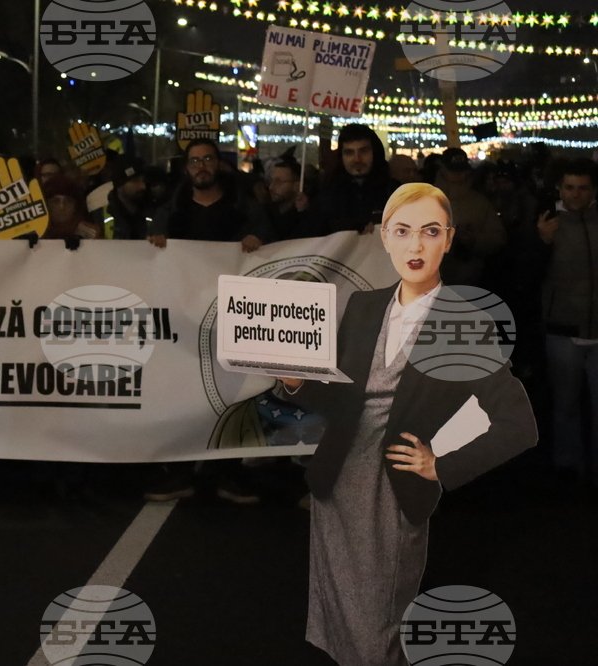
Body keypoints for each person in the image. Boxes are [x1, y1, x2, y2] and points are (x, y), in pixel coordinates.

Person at [280, 182, 536, 665]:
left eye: (430, 231)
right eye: (402, 231)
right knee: (339, 619)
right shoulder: (364, 306)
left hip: (393, 492)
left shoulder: (464, 326)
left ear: (449, 239)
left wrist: (442, 465)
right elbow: (341, 399)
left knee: (380, 622)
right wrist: (296, 383)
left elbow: (518, 423)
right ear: (385, 238)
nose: (415, 245)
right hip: (336, 482)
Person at [145, 139, 274, 503]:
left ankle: (227, 473)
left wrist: (259, 239)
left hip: (231, 317)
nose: (201, 166)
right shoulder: (171, 210)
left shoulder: (244, 208)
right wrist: (155, 241)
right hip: (184, 320)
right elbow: (150, 254)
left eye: (207, 159)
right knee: (184, 394)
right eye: (194, 161)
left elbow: (273, 244)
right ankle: (182, 471)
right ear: (187, 168)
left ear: (219, 164)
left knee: (231, 394)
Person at [537, 159, 598, 487]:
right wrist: (540, 243)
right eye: (570, 187)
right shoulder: (548, 222)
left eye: (583, 188)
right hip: (563, 326)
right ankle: (568, 466)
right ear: (560, 189)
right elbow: (526, 273)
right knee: (565, 403)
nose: (576, 194)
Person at [435, 148, 505, 287]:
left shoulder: (480, 202)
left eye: (462, 171)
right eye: (453, 171)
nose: (459, 176)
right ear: (443, 170)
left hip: (470, 281)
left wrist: (474, 240)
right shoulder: (427, 200)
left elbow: (498, 238)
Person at [311, 123, 399, 234]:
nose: (357, 159)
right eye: (349, 153)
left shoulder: (395, 193)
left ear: (375, 153)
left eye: (363, 151)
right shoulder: (328, 195)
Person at [266, 159, 322, 241]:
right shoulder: (266, 212)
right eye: (271, 181)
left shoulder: (312, 213)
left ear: (297, 185)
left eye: (279, 182)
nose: (271, 187)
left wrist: (303, 213)